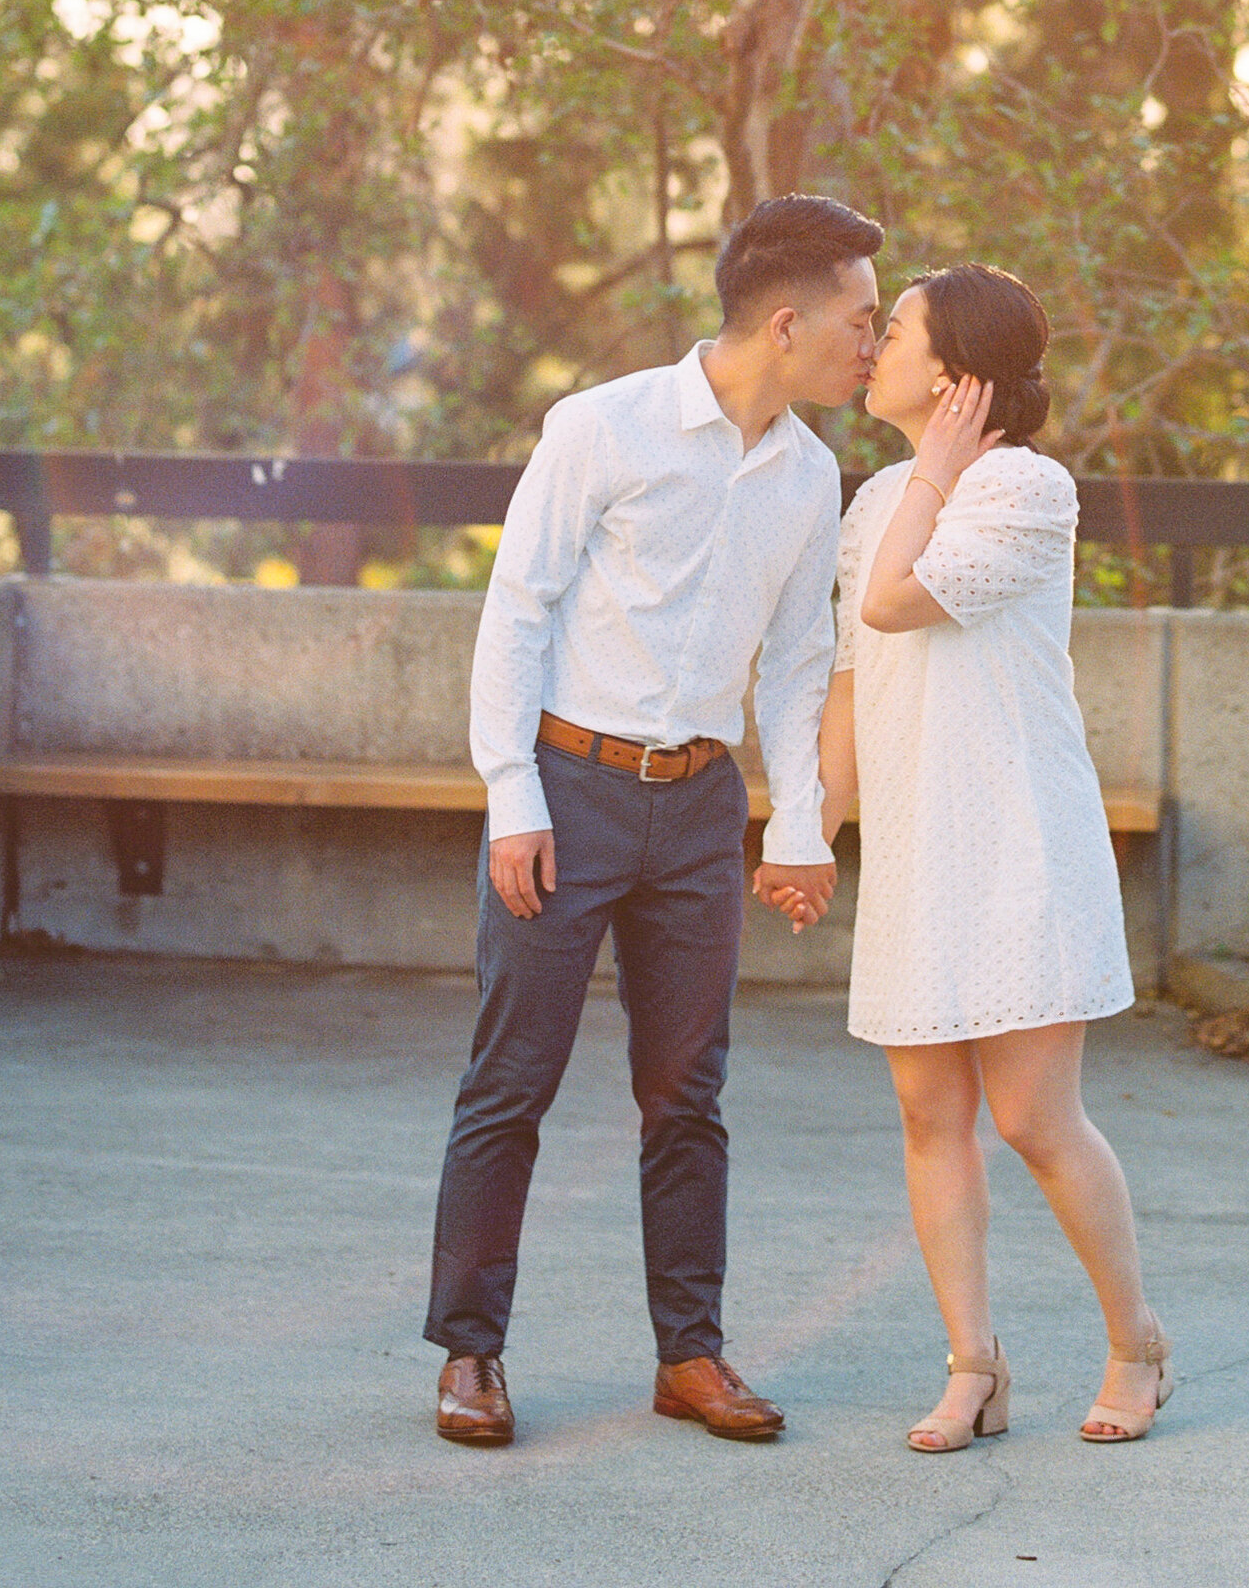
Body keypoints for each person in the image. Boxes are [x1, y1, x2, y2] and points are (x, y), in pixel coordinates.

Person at [423, 192, 882, 1450]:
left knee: (689, 1096)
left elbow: (797, 661)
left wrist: (799, 821)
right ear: (784, 323)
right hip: (566, 794)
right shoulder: (603, 427)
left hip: (696, 810)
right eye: (860, 318)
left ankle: (690, 1357)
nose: (873, 341)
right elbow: (517, 612)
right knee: (511, 1083)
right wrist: (512, 797)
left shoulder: (807, 472)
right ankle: (470, 1353)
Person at [817, 263, 1170, 1451]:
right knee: (930, 1115)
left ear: (958, 375)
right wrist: (803, 828)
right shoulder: (876, 500)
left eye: (897, 329)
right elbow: (849, 680)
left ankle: (1136, 1344)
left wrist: (929, 472)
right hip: (918, 850)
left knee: (1033, 1118)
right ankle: (973, 1365)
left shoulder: (1025, 487)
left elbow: (894, 605)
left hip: (1019, 843)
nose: (874, 348)